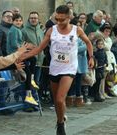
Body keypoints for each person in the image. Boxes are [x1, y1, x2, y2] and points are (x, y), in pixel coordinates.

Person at [19, 5, 94, 135]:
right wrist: (21, 56)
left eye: (62, 19)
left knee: (60, 99)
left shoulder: (77, 30)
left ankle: (60, 125)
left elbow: (88, 42)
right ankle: (61, 118)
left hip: (69, 68)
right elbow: (39, 48)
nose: (59, 22)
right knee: (57, 101)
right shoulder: (51, 30)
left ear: (69, 17)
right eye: (57, 19)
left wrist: (91, 57)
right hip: (54, 68)